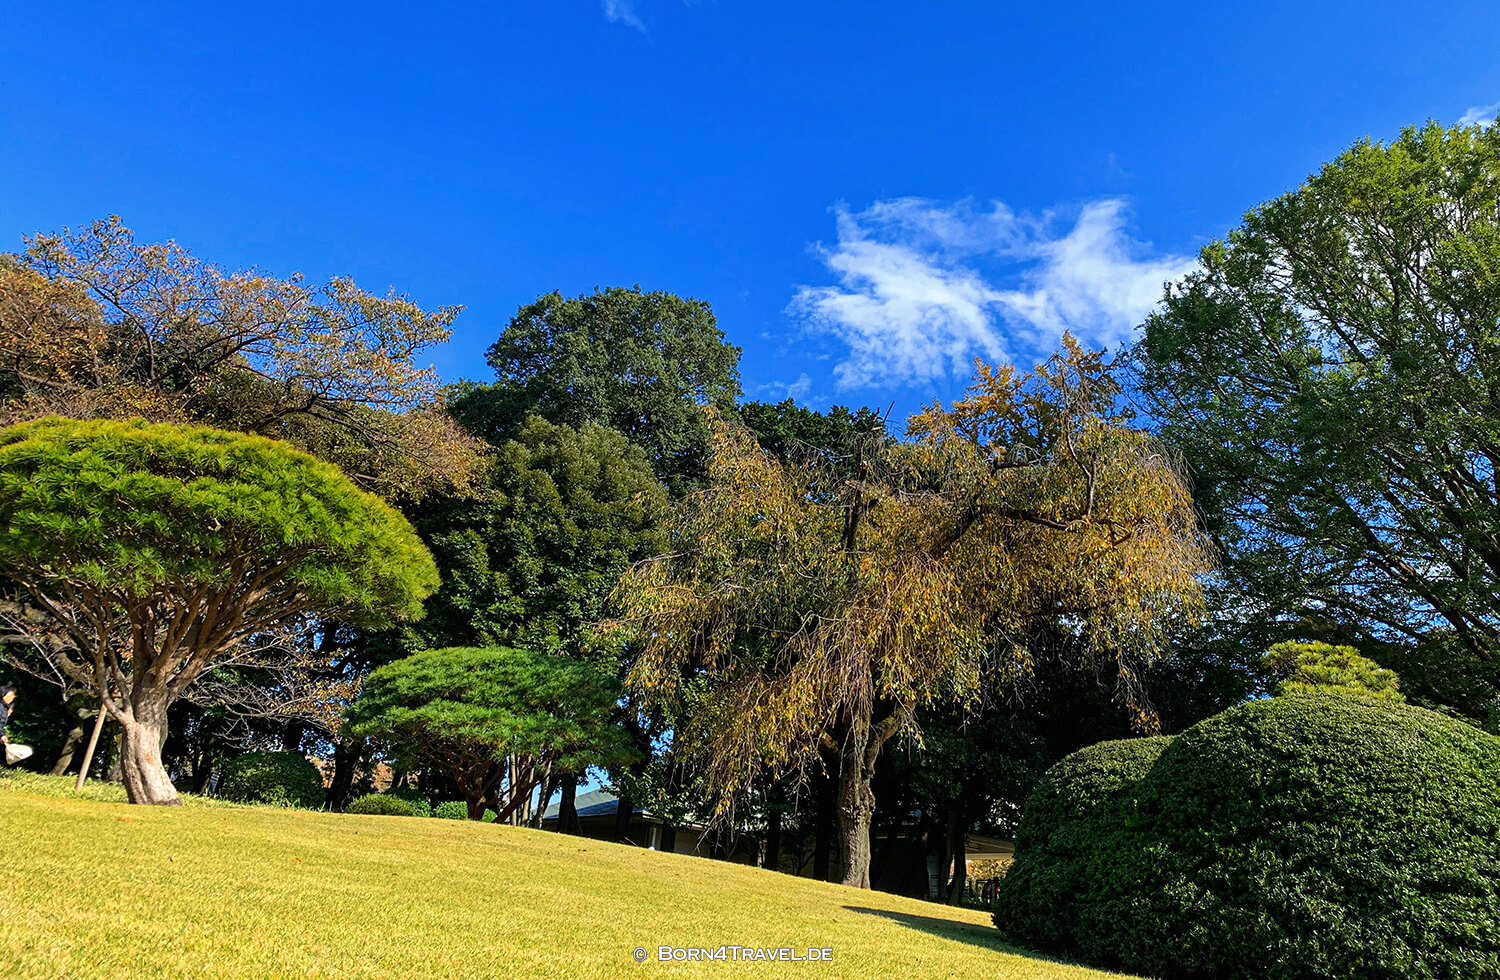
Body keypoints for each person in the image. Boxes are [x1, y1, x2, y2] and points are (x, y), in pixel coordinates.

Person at [0, 685, 31, 766]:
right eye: (10, 695)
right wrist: (1, 734)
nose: (12, 698)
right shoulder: (1, 707)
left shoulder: (4, 707)